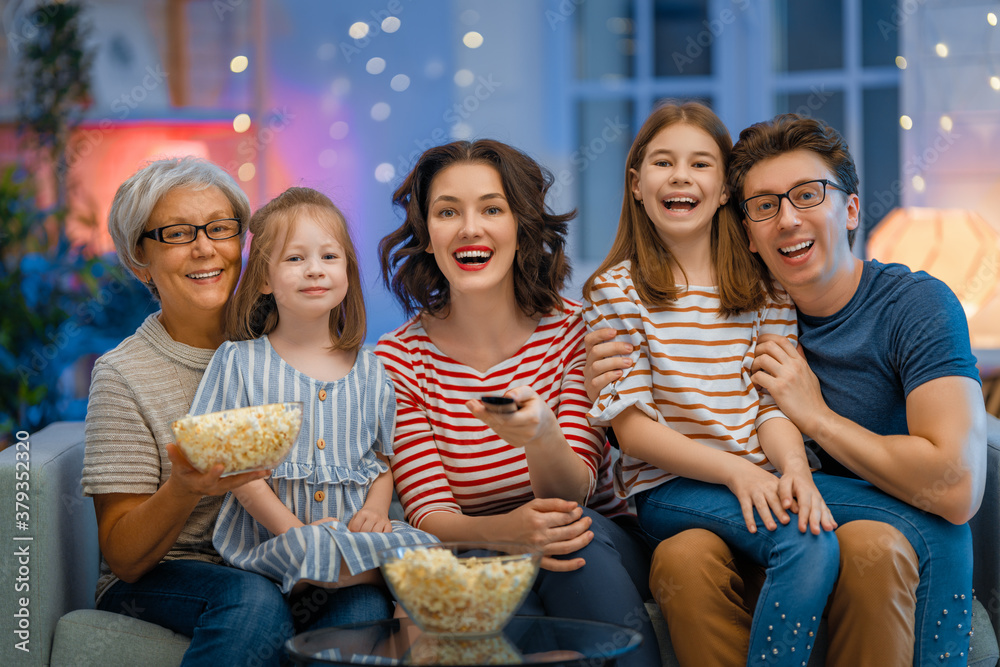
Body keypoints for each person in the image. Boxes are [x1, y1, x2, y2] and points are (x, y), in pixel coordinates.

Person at [587, 113, 987, 666]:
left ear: (849, 209)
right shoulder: (650, 293)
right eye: (766, 205)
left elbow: (957, 488)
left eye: (807, 195)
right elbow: (629, 417)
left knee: (919, 535)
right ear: (747, 227)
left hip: (800, 507)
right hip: (705, 500)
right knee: (686, 556)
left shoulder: (901, 305)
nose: (787, 219)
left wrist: (812, 424)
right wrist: (580, 374)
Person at [375, 139, 661, 666]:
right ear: (426, 233)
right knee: (488, 568)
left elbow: (573, 490)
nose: (469, 228)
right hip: (482, 548)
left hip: (597, 539)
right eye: (447, 212)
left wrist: (538, 435)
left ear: (521, 225)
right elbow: (431, 515)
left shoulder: (575, 329)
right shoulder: (399, 359)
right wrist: (507, 532)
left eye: (492, 208)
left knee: (567, 535)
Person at [581, 102, 839, 667]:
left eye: (700, 164)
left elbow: (772, 407)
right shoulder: (616, 291)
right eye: (662, 163)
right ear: (637, 185)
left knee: (817, 532)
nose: (680, 176)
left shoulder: (765, 289)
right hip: (669, 489)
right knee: (805, 540)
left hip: (756, 472)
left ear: (725, 188)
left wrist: (794, 469)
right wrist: (736, 471)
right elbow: (632, 430)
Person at [81, 156, 294, 666]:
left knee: (361, 601)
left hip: (269, 554)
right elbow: (124, 557)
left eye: (220, 228)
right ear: (139, 260)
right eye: (177, 233)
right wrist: (184, 487)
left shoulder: (286, 340)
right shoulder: (123, 375)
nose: (205, 248)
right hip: (166, 574)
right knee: (252, 600)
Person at [188, 187, 433, 617]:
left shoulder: (372, 370)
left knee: (425, 548)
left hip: (349, 537)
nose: (315, 271)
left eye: (329, 257)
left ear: (348, 272)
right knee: (313, 551)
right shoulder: (240, 362)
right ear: (264, 278)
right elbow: (234, 469)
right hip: (275, 539)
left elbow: (381, 460)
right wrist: (294, 531)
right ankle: (348, 571)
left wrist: (376, 510)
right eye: (295, 259)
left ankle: (339, 572)